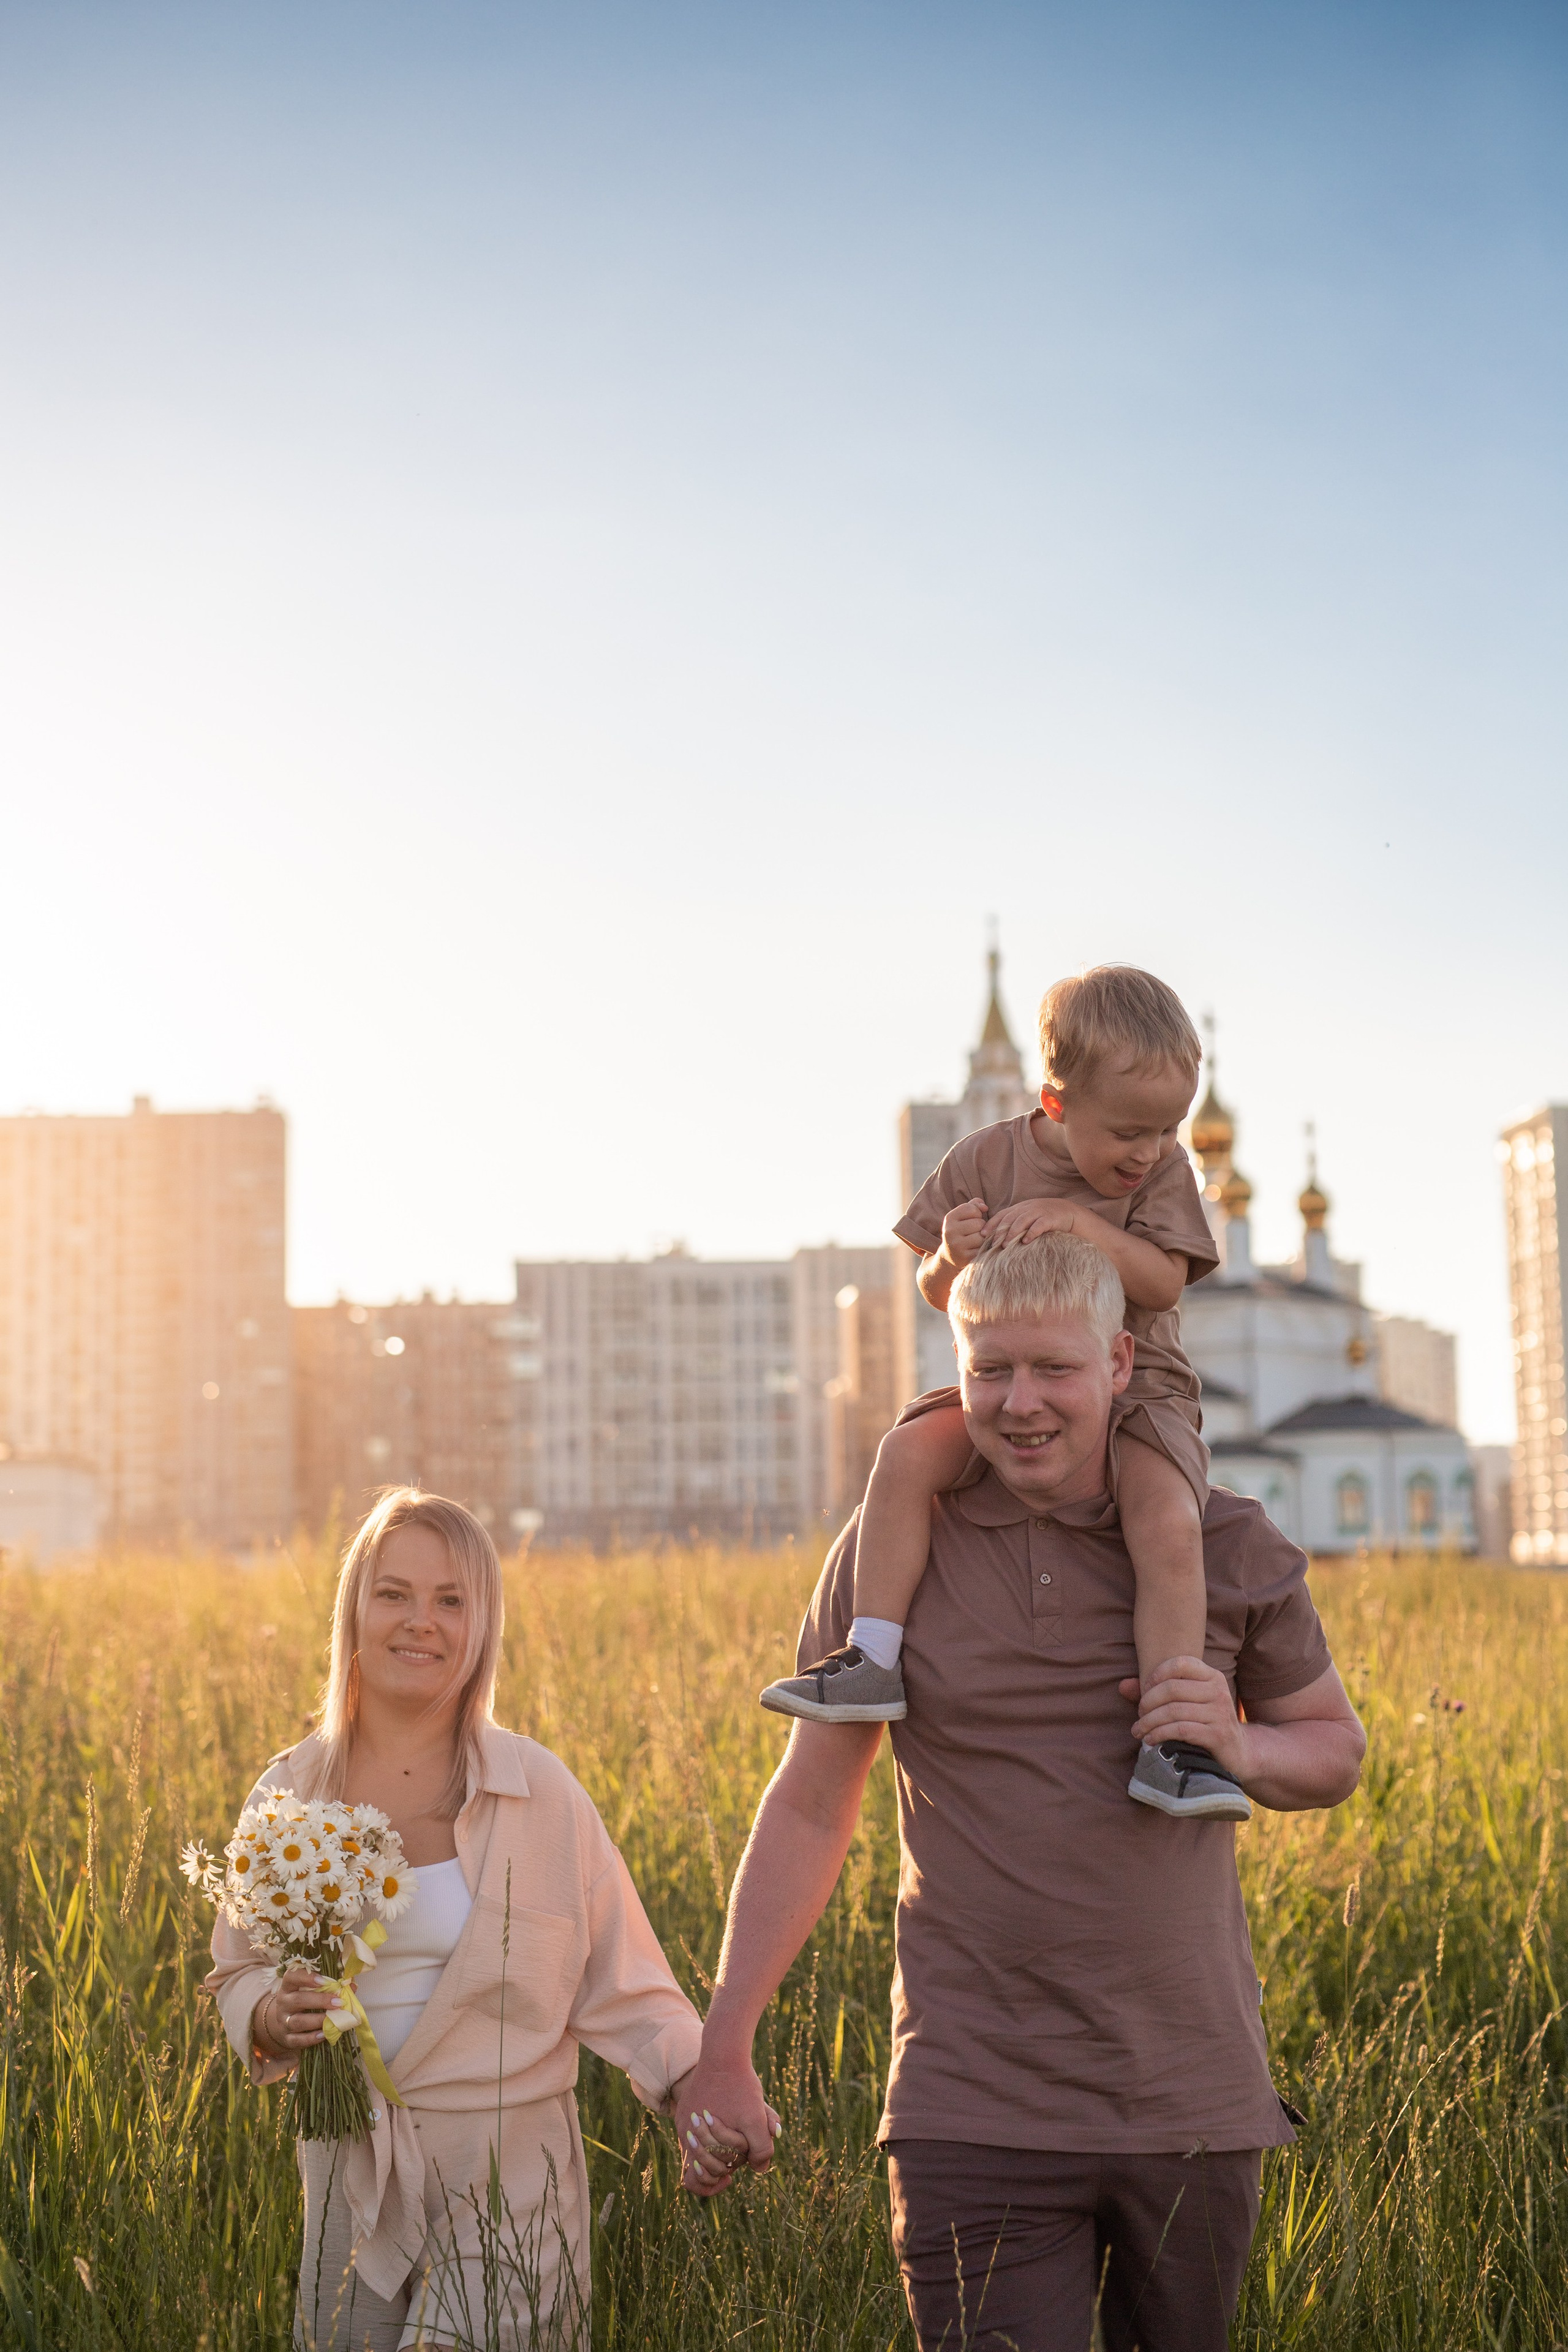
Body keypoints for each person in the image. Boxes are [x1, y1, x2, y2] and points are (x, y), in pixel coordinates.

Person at [693, 1234, 1365, 2352]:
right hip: (973, 2100)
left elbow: (1334, 1749)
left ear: (1116, 1365)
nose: (1020, 1405)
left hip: (1188, 2100)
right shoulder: (895, 1548)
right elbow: (813, 1802)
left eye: (1053, 1369)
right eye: (989, 1370)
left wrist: (1240, 1751)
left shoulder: (1224, 1541)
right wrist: (726, 2041)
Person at [206, 1488, 756, 2350]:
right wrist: (273, 2016)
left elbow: (630, 1986)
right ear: (354, 1609)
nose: (419, 1622)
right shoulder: (289, 1791)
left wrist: (703, 2095)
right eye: (394, 1593)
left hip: (508, 2182)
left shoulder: (541, 1794)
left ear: (483, 1626)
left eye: (450, 1600)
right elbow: (236, 1973)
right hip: (349, 2174)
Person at [761, 964, 1243, 1822]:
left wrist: (1090, 1227)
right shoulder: (982, 1159)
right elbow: (936, 1292)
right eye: (1130, 1131)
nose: (1151, 1150)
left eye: (1167, 1129)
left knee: (1167, 1519)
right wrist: (950, 1254)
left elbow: (1166, 1285)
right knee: (907, 1451)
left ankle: (1171, 1742)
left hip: (1140, 1394)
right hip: (1010, 1390)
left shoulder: (1159, 1176)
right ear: (1056, 1106)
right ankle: (872, 1656)